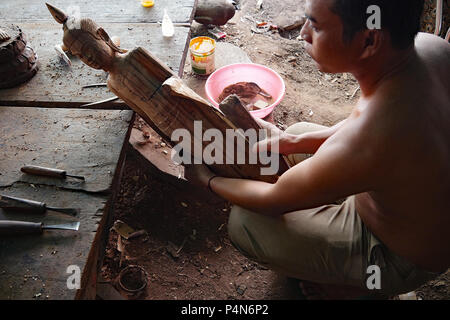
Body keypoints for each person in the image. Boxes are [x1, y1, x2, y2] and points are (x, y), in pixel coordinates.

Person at [186, 0, 450, 299]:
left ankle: (362, 287)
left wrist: (208, 181)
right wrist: (295, 142)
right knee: (298, 134)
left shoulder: (375, 138)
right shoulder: (430, 49)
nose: (303, 34)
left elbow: (273, 200)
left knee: (246, 223)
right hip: (405, 205)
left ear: (369, 40)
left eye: (317, 25)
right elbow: (364, 118)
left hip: (398, 255)